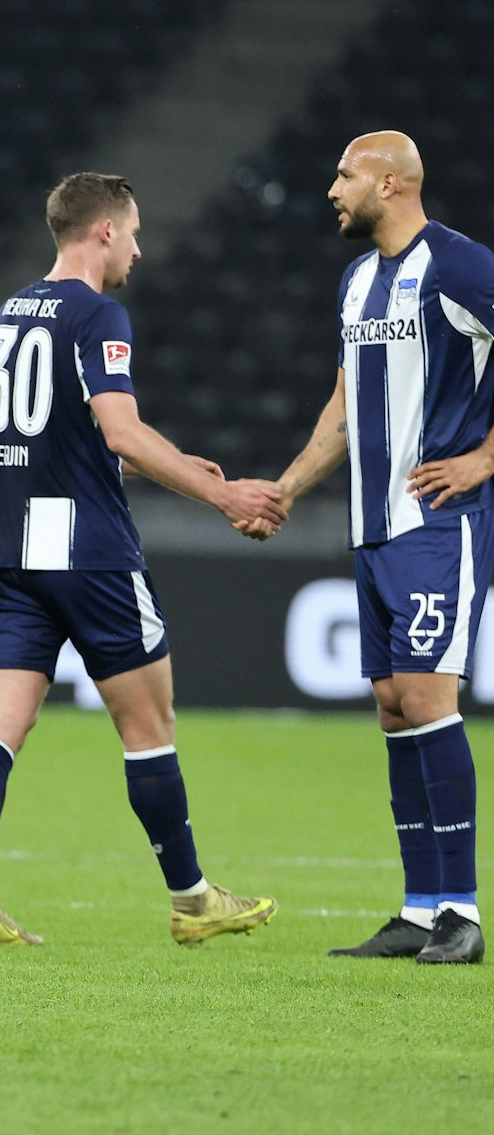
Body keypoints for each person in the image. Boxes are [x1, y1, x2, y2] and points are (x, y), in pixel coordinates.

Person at [0, 172, 282, 947]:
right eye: (134, 232)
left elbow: (60, 435)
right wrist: (224, 495)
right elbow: (118, 430)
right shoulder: (99, 312)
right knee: (148, 725)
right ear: (104, 230)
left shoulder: (12, 311)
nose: (138, 248)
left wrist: (171, 465)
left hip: (8, 547)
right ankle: (192, 898)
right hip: (89, 555)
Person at [262, 131, 490, 964]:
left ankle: (462, 911)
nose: (333, 189)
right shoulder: (357, 281)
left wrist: (485, 457)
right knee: (394, 704)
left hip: (439, 522)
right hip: (373, 526)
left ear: (391, 182)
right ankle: (420, 908)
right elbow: (343, 407)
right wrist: (286, 488)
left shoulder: (460, 267)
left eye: (345, 174)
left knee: (428, 697)